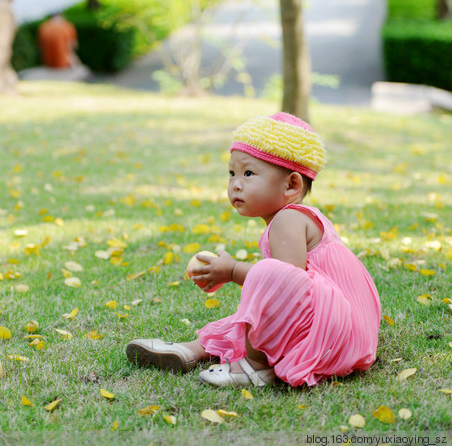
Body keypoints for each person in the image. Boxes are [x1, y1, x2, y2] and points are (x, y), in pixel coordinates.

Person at [126, 112, 381, 388]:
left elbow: (286, 283)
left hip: (336, 336)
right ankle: (190, 350)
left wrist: (233, 270)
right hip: (342, 332)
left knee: (267, 278)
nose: (236, 183)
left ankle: (253, 368)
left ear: (291, 185)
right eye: (232, 173)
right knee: (249, 316)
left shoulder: (289, 219)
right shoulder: (295, 219)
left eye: (248, 173)